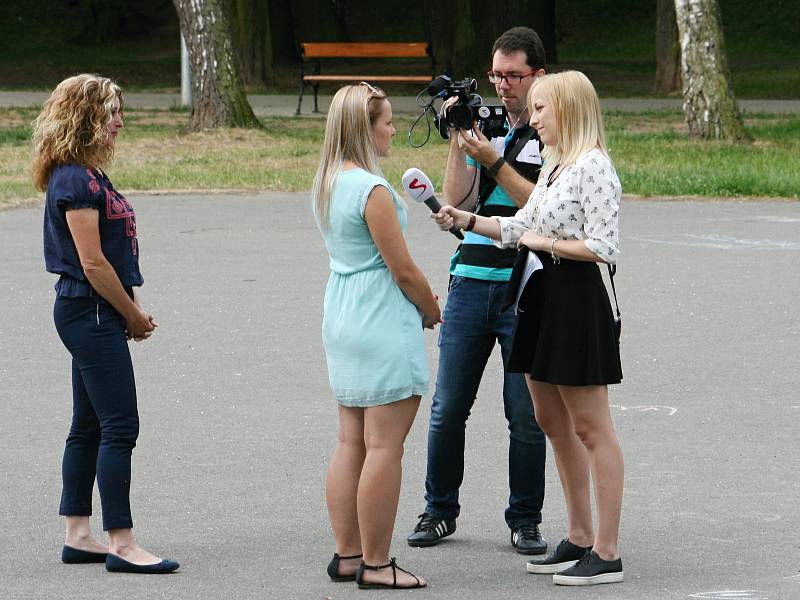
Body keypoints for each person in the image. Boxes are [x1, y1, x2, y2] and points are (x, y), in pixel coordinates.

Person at [433, 70, 625, 586]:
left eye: (542, 108)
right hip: (537, 296)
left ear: (569, 109)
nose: (532, 117)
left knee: (591, 427)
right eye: (534, 109)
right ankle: (579, 536)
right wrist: (466, 221)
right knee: (550, 421)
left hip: (576, 301)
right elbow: (521, 226)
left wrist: (545, 244)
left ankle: (606, 552)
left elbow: (602, 248)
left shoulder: (594, 167)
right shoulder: (557, 166)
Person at [407, 26, 549, 556]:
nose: (503, 85)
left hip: (525, 286)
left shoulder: (552, 130)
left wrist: (493, 158)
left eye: (512, 75)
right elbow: (456, 201)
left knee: (525, 412)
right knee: (447, 408)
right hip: (470, 280)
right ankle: (438, 510)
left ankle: (525, 520)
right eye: (496, 75)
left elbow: (541, 205)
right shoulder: (481, 124)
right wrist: (457, 138)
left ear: (538, 74)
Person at [33, 74, 179, 575]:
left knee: (90, 424)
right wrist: (132, 314)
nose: (119, 122)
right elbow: (92, 263)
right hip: (90, 312)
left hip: (89, 312)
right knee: (121, 426)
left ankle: (78, 534)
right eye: (111, 112)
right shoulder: (75, 178)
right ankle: (122, 541)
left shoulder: (86, 174)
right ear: (85, 117)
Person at [312, 82, 440, 590]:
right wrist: (431, 310)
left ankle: (348, 553)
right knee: (385, 447)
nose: (392, 129)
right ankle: (378, 562)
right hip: (380, 316)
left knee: (351, 440)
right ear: (364, 129)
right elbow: (402, 269)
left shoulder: (327, 181)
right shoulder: (373, 190)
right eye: (385, 121)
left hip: (342, 312)